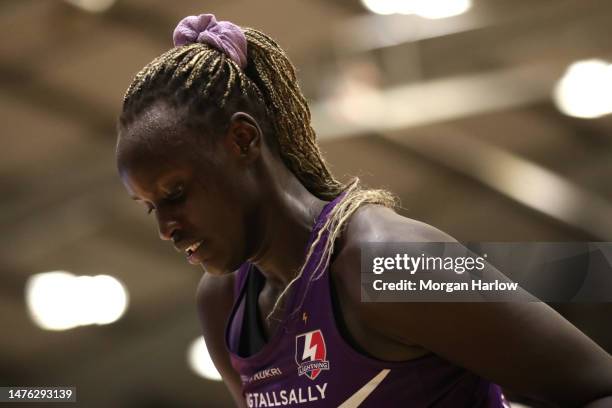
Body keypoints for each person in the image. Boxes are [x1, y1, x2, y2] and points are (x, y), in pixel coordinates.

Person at [115, 13, 612, 408]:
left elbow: (597, 387)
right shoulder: (222, 305)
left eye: (175, 194)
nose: (165, 229)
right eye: (150, 208)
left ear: (242, 141)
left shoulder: (389, 259)